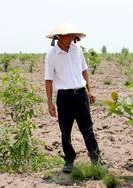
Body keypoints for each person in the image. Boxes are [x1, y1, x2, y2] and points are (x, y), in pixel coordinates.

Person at [44, 21, 101, 173]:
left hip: (80, 94)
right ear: (59, 37)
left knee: (87, 128)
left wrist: (90, 90)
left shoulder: (78, 50)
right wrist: (50, 103)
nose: (70, 38)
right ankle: (69, 159)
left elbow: (84, 70)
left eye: (72, 36)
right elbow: (48, 80)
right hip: (64, 97)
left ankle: (95, 157)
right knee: (65, 130)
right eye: (67, 36)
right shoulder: (51, 55)